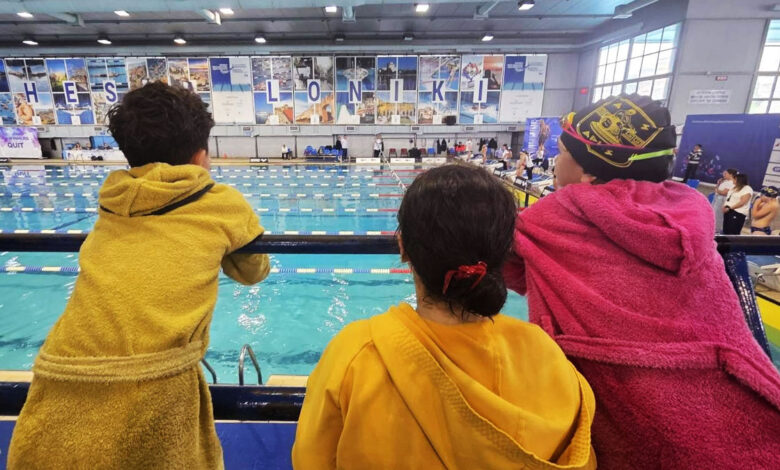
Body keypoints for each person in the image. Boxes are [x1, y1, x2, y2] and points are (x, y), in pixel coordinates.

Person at [503, 94, 780, 469]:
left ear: (589, 172)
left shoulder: (557, 216)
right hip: (740, 409)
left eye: (563, 152)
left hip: (638, 416)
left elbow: (497, 259)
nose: (555, 161)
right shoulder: (690, 210)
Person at [7, 82, 271, 469]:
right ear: (201, 156)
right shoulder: (222, 203)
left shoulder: (112, 199)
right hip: (151, 388)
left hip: (62, 377)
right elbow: (255, 270)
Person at [293, 165, 597, 470]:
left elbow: (310, 460)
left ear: (403, 248)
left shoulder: (355, 355)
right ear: (505, 252)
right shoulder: (547, 358)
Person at [712, 168, 737, 233]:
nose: (724, 175)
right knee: (713, 213)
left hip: (722, 199)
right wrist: (718, 183)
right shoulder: (725, 181)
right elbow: (717, 189)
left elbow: (724, 193)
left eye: (726, 173)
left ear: (731, 174)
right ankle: (712, 228)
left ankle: (716, 230)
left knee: (718, 215)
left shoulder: (731, 183)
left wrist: (717, 190)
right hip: (718, 197)